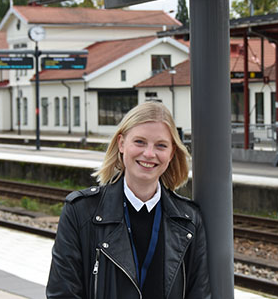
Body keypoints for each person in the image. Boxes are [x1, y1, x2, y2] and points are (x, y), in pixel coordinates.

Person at [46, 102, 211, 299]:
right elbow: (62, 294)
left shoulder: (189, 221)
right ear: (121, 144)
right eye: (140, 142)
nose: (149, 153)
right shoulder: (80, 212)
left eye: (161, 145)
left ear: (171, 153)